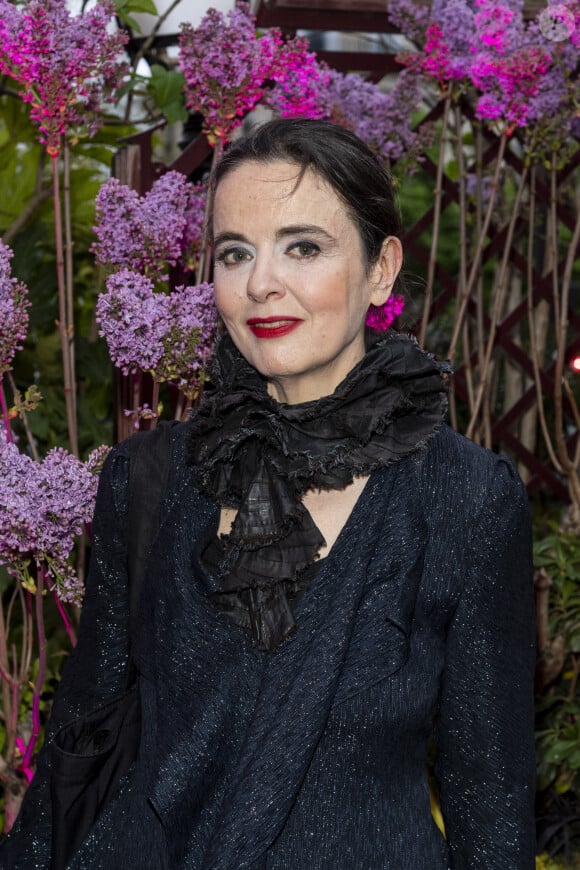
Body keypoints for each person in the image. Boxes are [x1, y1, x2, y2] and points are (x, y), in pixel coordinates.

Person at [1, 118, 536, 869]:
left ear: (382, 268)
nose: (260, 284)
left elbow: (490, 791)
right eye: (234, 253)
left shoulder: (467, 498)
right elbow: (84, 733)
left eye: (304, 247)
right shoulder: (147, 478)